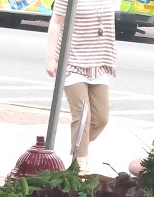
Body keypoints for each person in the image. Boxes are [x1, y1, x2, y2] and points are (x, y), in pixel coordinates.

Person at [46, 0, 117, 173]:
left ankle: (79, 147)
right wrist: (50, 58)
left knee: (101, 119)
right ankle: (80, 166)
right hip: (73, 62)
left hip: (100, 64)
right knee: (82, 117)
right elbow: (56, 22)